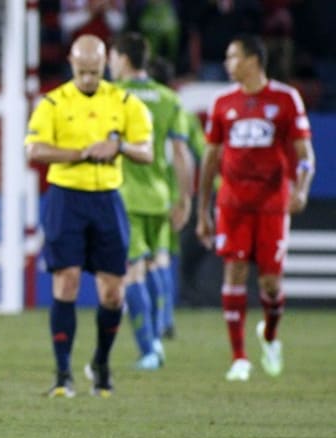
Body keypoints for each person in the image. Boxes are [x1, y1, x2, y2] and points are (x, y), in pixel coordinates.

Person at [25, 34, 153, 398]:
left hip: (107, 200)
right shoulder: (52, 103)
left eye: (94, 72)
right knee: (66, 283)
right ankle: (63, 373)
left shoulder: (126, 102)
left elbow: (146, 151)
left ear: (106, 65)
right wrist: (82, 153)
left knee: (113, 292)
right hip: (66, 198)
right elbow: (35, 149)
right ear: (71, 63)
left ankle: (100, 363)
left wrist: (119, 146)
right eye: (81, 72)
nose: (87, 79)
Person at [196, 35, 315, 382]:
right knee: (233, 271)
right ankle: (239, 357)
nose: (226, 63)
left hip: (272, 204)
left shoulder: (285, 99)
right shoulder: (222, 103)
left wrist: (302, 189)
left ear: (252, 60)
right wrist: (203, 210)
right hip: (232, 203)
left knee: (271, 283)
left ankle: (270, 335)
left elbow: (306, 155)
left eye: (232, 56)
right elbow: (210, 160)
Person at [108, 32, 194, 370]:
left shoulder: (112, 97)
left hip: (126, 196)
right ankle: (162, 329)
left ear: (124, 59)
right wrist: (184, 199)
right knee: (156, 262)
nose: (110, 65)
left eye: (113, 58)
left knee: (131, 273)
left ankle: (150, 350)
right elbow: (182, 154)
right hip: (160, 196)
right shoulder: (170, 99)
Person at [148, 56, 206, 338]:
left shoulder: (135, 106)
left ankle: (159, 318)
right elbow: (202, 152)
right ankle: (164, 317)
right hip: (173, 192)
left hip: (147, 190)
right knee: (163, 257)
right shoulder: (182, 112)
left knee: (148, 259)